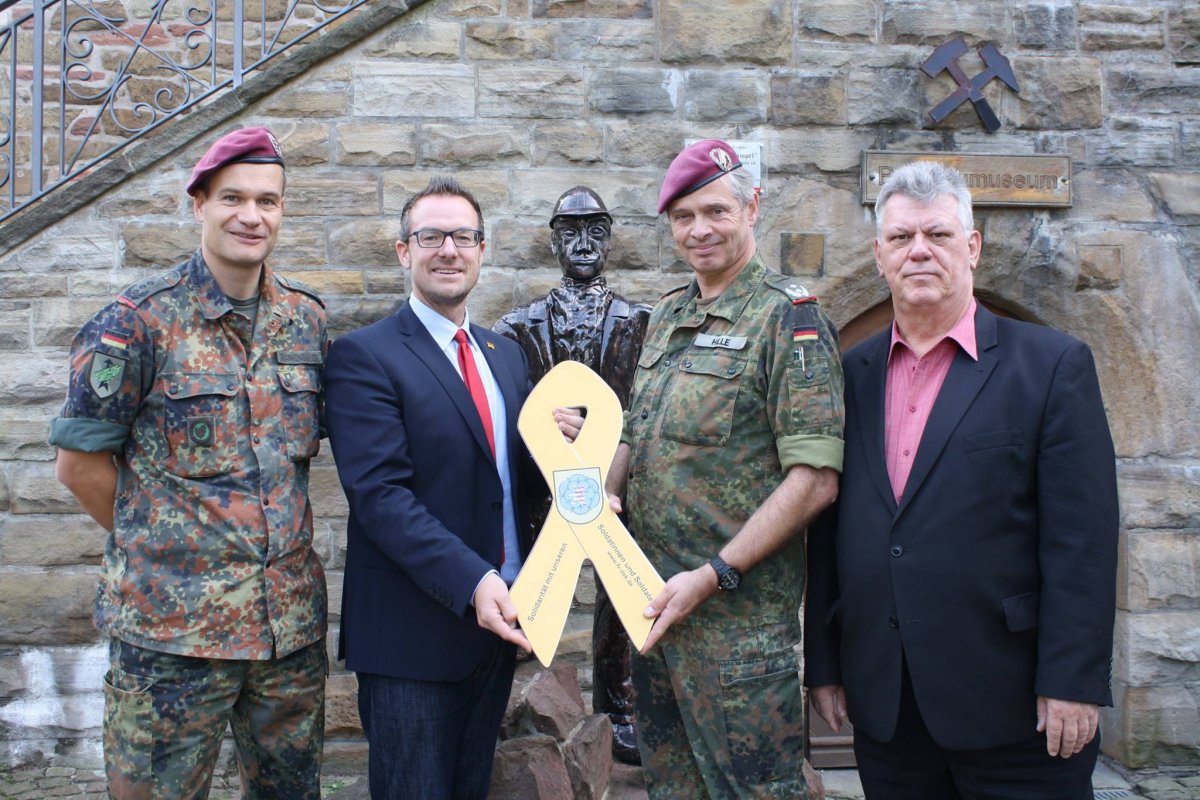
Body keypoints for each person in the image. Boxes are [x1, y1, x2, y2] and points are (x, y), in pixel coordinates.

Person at [804, 161, 1119, 800]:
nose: (919, 250)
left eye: (938, 234)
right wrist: (825, 664)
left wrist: (1073, 681)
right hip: (888, 706)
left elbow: (1082, 541)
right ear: (879, 256)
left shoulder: (1051, 366)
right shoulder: (849, 374)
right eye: (901, 238)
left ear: (972, 247)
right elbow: (831, 528)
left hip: (1017, 707)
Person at [49, 126, 329, 799]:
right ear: (198, 203)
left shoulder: (306, 321)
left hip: (286, 637)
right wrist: (161, 548)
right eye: (233, 198)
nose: (251, 215)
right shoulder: (135, 323)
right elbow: (79, 466)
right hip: (171, 638)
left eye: (267, 201)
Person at [325, 176, 579, 799]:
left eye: (463, 237)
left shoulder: (504, 355)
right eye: (431, 236)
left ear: (482, 249)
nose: (448, 250)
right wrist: (475, 580)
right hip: (412, 636)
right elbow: (382, 497)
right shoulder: (364, 356)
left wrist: (571, 474)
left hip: (498, 627)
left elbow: (505, 476)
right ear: (403, 251)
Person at [606, 139, 845, 798]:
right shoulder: (667, 316)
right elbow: (634, 430)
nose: (699, 230)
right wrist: (599, 489)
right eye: (683, 217)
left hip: (738, 640)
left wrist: (713, 574)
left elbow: (815, 480)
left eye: (715, 211)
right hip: (657, 620)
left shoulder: (787, 318)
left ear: (752, 207)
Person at [493, 185, 651, 765]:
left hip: (618, 483)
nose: (584, 244)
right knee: (533, 583)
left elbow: (652, 408)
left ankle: (620, 710)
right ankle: (521, 704)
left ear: (610, 239)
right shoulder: (516, 326)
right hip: (543, 483)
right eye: (570, 233)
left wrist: (606, 433)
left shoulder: (643, 322)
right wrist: (542, 424)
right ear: (554, 241)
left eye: (595, 232)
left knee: (622, 593)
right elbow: (502, 409)